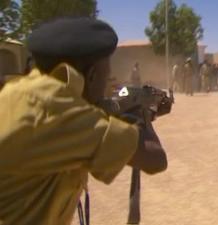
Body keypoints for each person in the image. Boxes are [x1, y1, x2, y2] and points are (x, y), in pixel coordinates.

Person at [0, 18, 167, 225]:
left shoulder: (20, 92)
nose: (107, 86)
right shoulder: (59, 110)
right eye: (106, 78)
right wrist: (139, 115)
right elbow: (155, 159)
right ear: (92, 75)